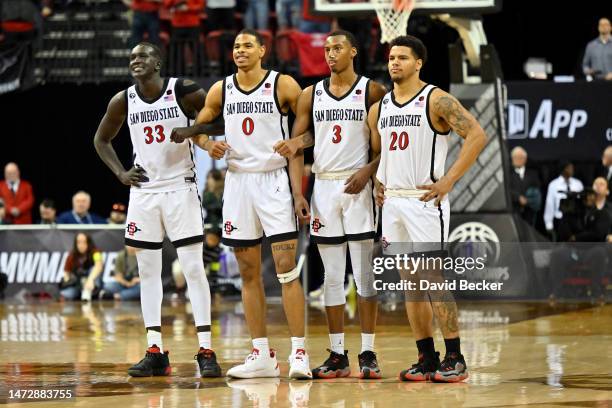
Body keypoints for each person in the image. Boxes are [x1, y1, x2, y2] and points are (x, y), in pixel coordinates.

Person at [170, 29, 311, 379]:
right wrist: (206, 145)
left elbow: (311, 134)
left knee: (286, 268)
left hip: (274, 181)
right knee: (248, 272)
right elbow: (198, 127)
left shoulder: (283, 84)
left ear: (263, 50)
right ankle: (261, 354)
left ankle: (299, 353)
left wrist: (296, 152)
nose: (240, 51)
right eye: (235, 46)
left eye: (247, 45)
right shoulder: (221, 89)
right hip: (238, 184)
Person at [93, 42, 224, 378]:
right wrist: (121, 173)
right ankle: (155, 350)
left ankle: (206, 349)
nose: (135, 61)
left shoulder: (183, 90)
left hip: (181, 188)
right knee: (148, 272)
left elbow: (222, 122)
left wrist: (193, 129)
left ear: (157, 62)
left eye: (142, 56)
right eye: (132, 57)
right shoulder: (123, 99)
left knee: (193, 269)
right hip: (144, 193)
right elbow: (101, 140)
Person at [274, 30, 387, 379]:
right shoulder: (311, 94)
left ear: (353, 51)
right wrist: (298, 193)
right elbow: (301, 142)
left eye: (337, 48)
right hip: (323, 185)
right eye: (326, 49)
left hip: (357, 186)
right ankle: (338, 353)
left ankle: (368, 351)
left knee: (365, 276)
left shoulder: (372, 91)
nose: (330, 53)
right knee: (332, 277)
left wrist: (370, 173)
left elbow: (384, 146)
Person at [373, 35, 486, 382]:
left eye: (403, 58)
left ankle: (456, 357)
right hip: (392, 201)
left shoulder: (435, 99)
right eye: (392, 57)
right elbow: (385, 151)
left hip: (425, 201)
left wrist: (449, 179)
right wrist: (379, 178)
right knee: (410, 283)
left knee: (434, 279)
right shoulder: (381, 106)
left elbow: (477, 135)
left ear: (418, 63)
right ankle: (426, 357)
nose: (395, 63)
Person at [549, 188, 610, 304]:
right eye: (588, 196)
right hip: (573, 249)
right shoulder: (573, 215)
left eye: (593, 195)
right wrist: (566, 215)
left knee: (600, 253)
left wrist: (577, 237)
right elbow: (564, 234)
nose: (591, 198)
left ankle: (596, 291)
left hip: (591, 249)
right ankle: (556, 291)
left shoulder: (601, 214)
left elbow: (598, 234)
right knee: (557, 254)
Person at [543, 162, 584, 240]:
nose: (572, 170)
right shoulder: (553, 185)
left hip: (576, 222)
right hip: (560, 221)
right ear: (563, 169)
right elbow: (550, 205)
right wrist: (549, 224)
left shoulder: (578, 184)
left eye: (572, 168)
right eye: (569, 168)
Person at [163, 0, 205, 76]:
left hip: (193, 24)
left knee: (197, 49)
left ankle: (200, 72)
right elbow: (166, 4)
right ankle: (178, 72)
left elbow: (201, 6)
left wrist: (188, 8)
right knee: (177, 51)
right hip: (177, 24)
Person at [59, 233, 103, 301]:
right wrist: (68, 281)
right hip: (78, 284)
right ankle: (82, 293)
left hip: (92, 282)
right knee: (66, 294)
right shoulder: (71, 255)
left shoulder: (95, 252)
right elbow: (66, 273)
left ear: (88, 243)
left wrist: (90, 279)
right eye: (78, 242)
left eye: (84, 242)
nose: (81, 245)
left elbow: (99, 266)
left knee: (93, 269)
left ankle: (91, 292)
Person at [509, 146, 541, 226]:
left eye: (517, 157)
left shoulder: (533, 174)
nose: (514, 159)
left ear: (524, 159)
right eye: (513, 157)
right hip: (513, 211)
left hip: (529, 213)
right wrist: (518, 197)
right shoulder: (507, 174)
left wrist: (529, 200)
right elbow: (505, 190)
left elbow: (537, 190)